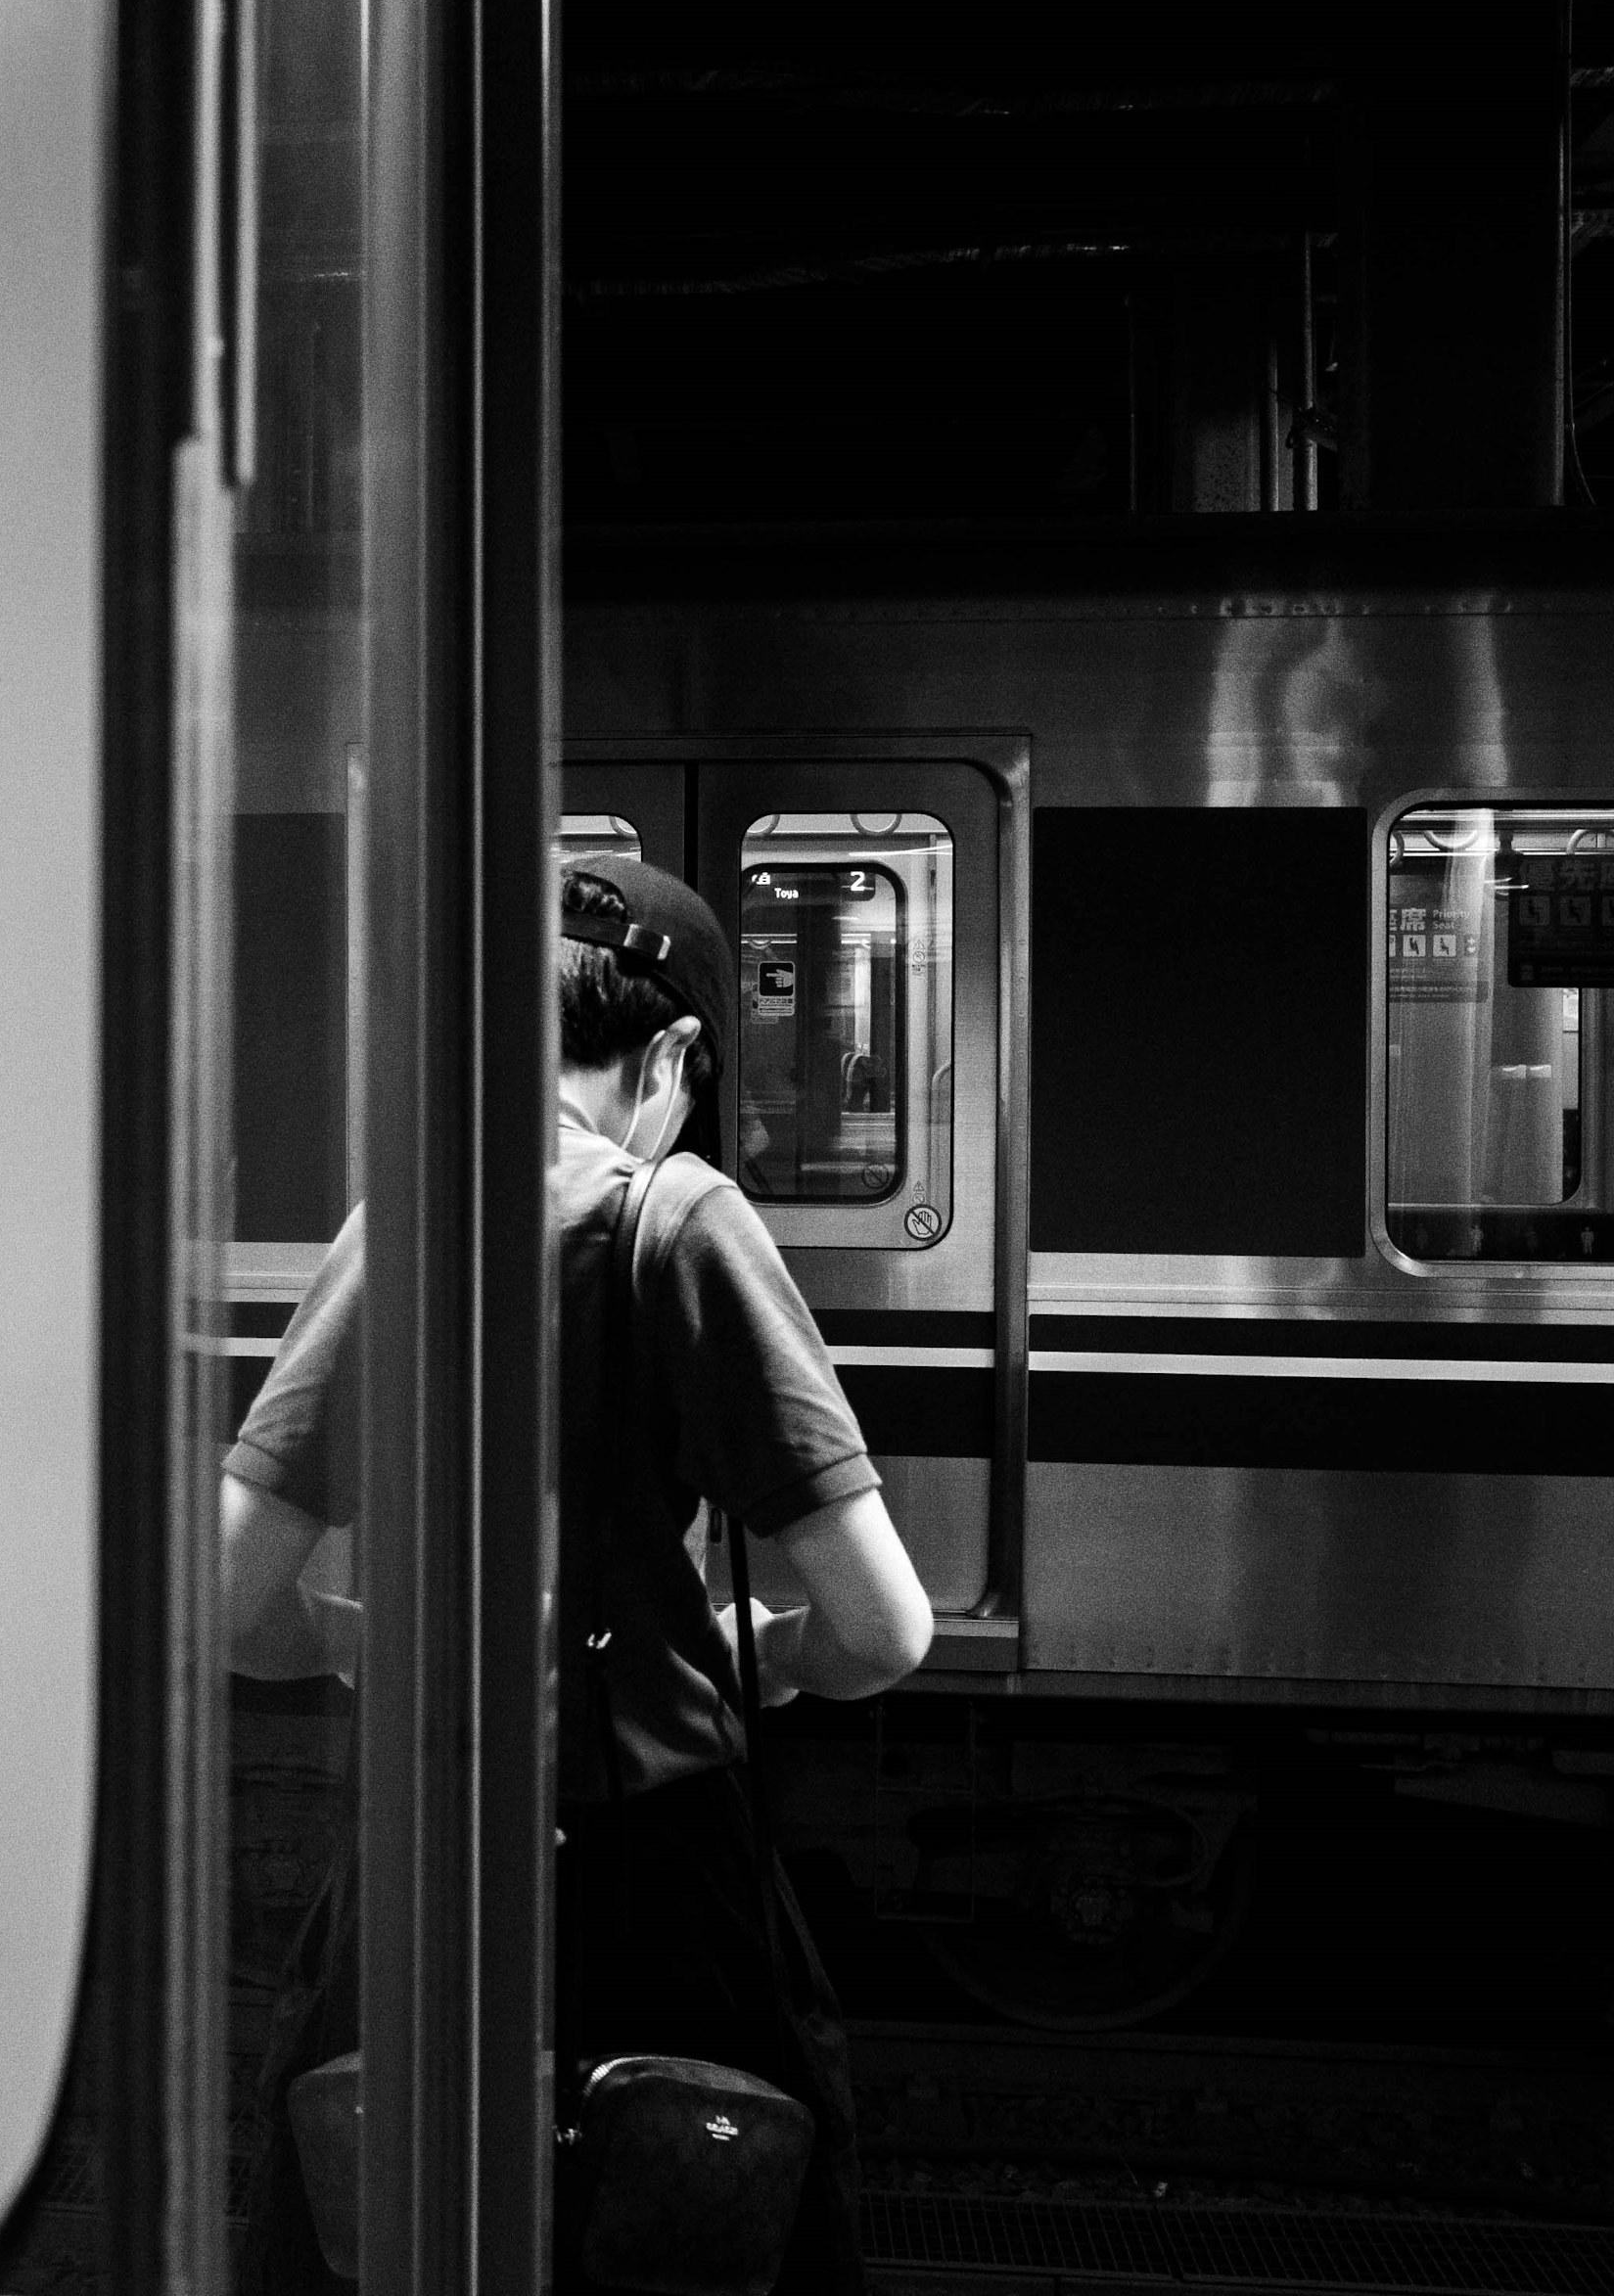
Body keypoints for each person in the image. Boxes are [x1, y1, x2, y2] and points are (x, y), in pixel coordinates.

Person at [219, 858, 932, 2296]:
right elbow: (888, 1627)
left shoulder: (397, 1229)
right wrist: (769, 1651)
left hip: (424, 1864)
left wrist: (375, 1642)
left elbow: (229, 1605)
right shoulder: (683, 1221)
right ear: (671, 1055)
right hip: (662, 1884)